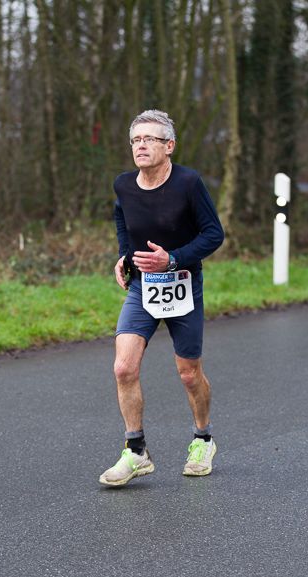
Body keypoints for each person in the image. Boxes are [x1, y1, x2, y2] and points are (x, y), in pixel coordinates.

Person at [99, 109, 224, 487]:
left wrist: (173, 258)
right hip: (143, 286)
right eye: (135, 140)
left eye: (149, 139)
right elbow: (122, 217)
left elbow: (213, 234)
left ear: (169, 146)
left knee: (188, 373)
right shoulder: (124, 185)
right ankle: (136, 451)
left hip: (183, 283)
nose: (140, 146)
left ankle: (203, 439)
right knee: (123, 367)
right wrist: (125, 255)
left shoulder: (188, 183)